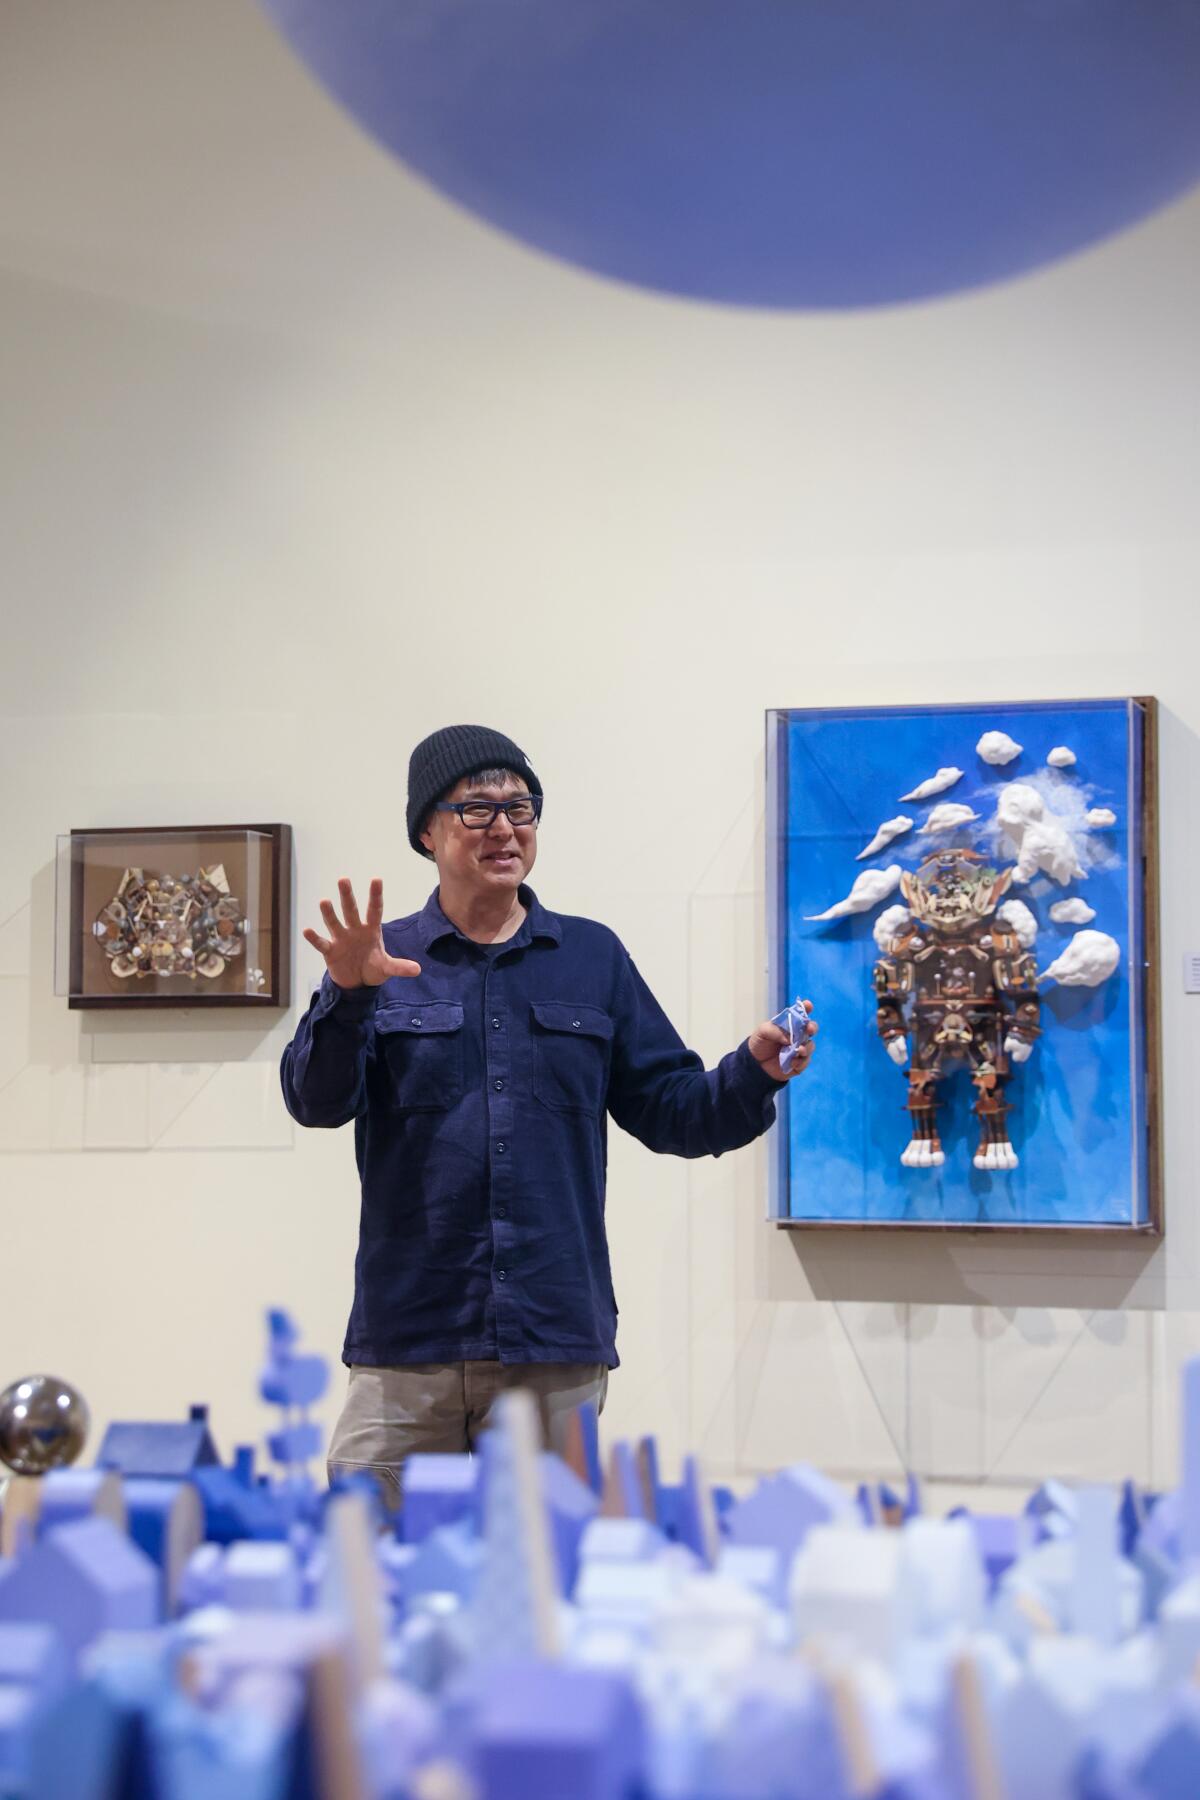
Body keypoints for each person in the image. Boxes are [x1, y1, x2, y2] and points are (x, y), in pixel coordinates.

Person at [280, 724, 818, 1506]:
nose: (504, 827)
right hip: (408, 1342)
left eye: (521, 806)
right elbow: (315, 1102)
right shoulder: (380, 960)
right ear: (427, 831)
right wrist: (351, 995)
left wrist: (749, 1074)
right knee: (371, 1580)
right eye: (477, 809)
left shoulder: (591, 957)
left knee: (542, 1592)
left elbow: (674, 1113)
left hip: (552, 1340)